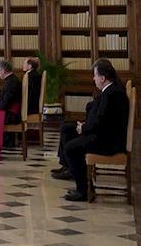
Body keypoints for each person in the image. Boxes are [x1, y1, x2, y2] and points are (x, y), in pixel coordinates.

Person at [53, 59, 129, 201]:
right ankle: (73, 172)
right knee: (68, 132)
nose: (93, 78)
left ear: (102, 78)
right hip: (106, 135)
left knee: (71, 148)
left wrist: (84, 128)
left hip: (109, 142)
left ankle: (82, 191)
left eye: (95, 75)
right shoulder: (112, 90)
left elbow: (102, 121)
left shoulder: (113, 94)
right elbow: (101, 118)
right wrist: (85, 126)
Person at [0, 59, 21, 159]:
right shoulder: (11, 80)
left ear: (3, 70)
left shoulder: (11, 82)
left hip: (12, 115)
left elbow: (4, 103)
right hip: (10, 112)